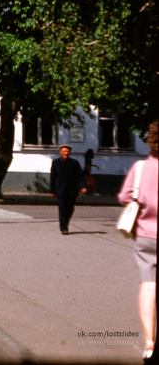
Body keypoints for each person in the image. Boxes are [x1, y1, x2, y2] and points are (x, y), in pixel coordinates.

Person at [118, 121, 157, 365]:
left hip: (145, 236)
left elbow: (124, 197)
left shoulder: (141, 168)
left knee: (148, 285)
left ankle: (149, 342)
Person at [49, 144, 85, 234]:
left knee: (70, 209)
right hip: (60, 189)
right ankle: (64, 228)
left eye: (68, 151)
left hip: (71, 189)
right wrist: (52, 191)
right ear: (60, 152)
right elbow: (53, 177)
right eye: (64, 151)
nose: (66, 153)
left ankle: (66, 223)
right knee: (62, 208)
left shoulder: (74, 163)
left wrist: (83, 186)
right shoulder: (56, 162)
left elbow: (80, 175)